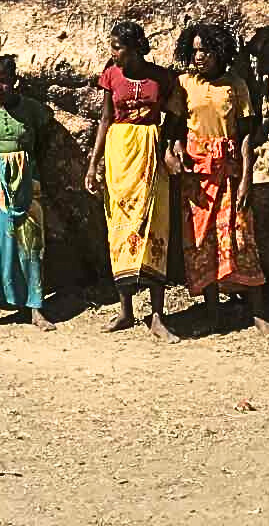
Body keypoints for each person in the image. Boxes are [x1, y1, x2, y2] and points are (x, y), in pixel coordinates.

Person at [173, 24, 269, 334]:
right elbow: (174, 128)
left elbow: (246, 138)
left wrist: (246, 179)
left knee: (241, 237)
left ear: (219, 51)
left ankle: (258, 314)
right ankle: (213, 315)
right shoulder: (183, 84)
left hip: (229, 171)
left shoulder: (236, 86)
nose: (199, 56)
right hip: (197, 175)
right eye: (194, 51)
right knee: (202, 242)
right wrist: (175, 150)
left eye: (205, 50)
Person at [86, 18, 182, 339]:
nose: (113, 53)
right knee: (120, 229)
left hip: (150, 153)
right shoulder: (111, 76)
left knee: (155, 226)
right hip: (119, 154)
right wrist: (93, 163)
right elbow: (105, 118)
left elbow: (177, 113)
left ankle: (157, 315)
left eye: (118, 47)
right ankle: (126, 310)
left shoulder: (162, 78)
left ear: (134, 48)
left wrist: (167, 145)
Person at [0, 54, 55, 331]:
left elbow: (41, 142)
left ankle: (35, 308)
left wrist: (24, 168)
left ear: (14, 81)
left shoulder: (33, 110)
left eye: (3, 81)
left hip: (28, 181)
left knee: (32, 244)